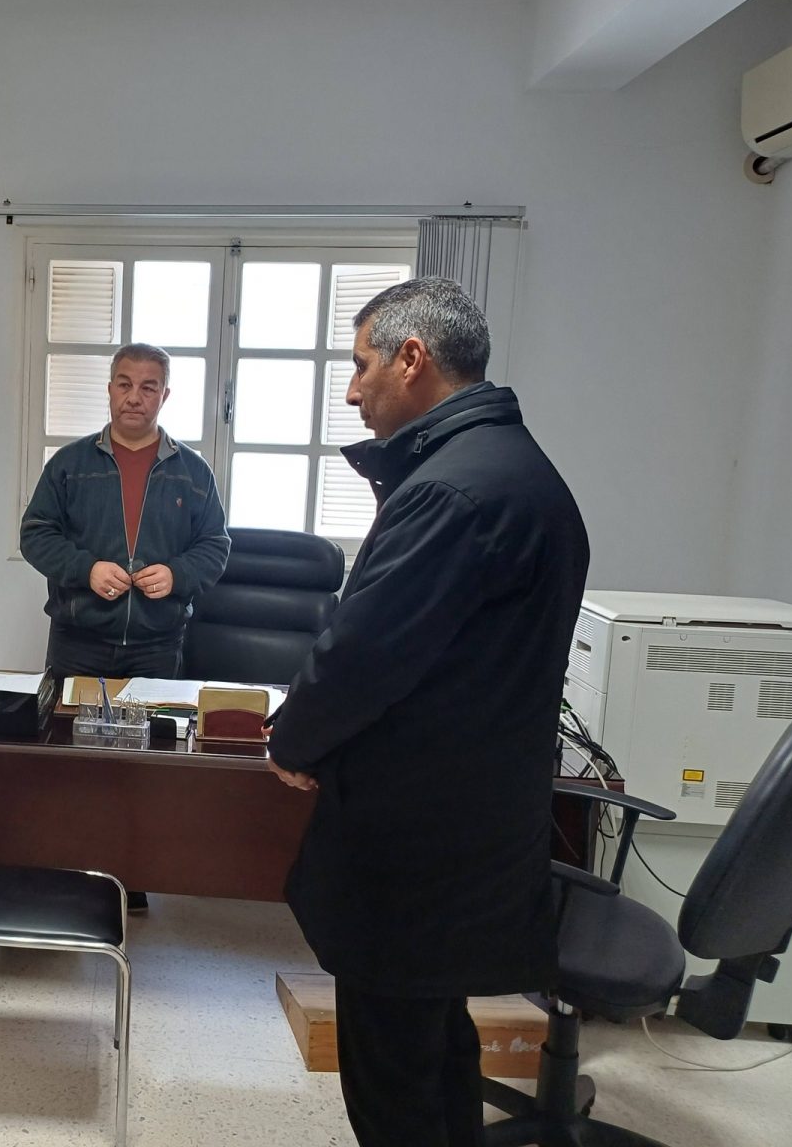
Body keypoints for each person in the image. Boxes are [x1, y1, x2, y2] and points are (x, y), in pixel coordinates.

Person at [265, 278, 589, 1147]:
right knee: (435, 1047)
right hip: (465, 828)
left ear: (411, 359)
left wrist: (292, 740)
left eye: (360, 365)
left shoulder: (454, 491)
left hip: (418, 848)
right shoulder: (505, 464)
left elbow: (363, 655)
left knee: (393, 1080)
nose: (351, 390)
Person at [20, 342, 229, 680]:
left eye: (148, 388)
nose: (133, 398)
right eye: (124, 384)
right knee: (67, 718)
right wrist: (87, 569)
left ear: (164, 396)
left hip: (158, 647)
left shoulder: (193, 472)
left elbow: (214, 545)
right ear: (110, 390)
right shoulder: (69, 464)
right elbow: (35, 535)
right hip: (77, 643)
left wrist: (176, 575)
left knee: (156, 719)